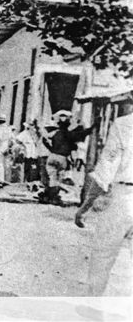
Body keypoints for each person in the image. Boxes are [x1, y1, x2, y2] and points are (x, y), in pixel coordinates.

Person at [75, 95, 133, 296]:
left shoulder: (124, 125)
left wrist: (85, 206)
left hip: (125, 198)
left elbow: (105, 170)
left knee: (102, 256)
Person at [40, 110, 93, 205]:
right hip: (62, 158)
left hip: (52, 156)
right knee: (59, 179)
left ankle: (49, 196)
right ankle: (54, 197)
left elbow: (44, 139)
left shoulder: (55, 133)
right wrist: (92, 128)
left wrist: (51, 148)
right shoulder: (69, 135)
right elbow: (81, 134)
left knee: (52, 178)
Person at [0, 114, 14, 188]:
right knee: (6, 164)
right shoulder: (8, 129)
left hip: (0, 147)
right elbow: (12, 139)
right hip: (6, 147)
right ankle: (5, 180)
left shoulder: (0, 128)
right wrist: (9, 147)